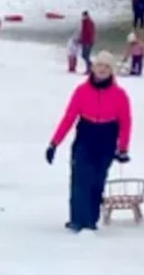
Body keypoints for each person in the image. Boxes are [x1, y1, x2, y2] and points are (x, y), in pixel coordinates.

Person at [46, 51, 133, 233]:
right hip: (85, 135)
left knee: (97, 181)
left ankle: (91, 219)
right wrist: (54, 143)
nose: (102, 69)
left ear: (111, 72)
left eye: (107, 67)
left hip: (106, 138)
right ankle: (77, 219)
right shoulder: (81, 91)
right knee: (80, 179)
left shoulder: (119, 95)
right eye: (99, 65)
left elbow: (126, 122)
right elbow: (69, 117)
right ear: (93, 68)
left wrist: (123, 148)